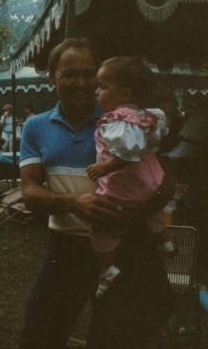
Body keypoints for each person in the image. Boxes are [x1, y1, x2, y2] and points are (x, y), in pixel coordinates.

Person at [19, 38, 173, 348]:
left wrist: (130, 213)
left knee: (116, 337)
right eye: (69, 74)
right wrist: (73, 203)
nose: (81, 83)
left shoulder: (124, 121)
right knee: (41, 334)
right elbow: (30, 192)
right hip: (66, 248)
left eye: (89, 74)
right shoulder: (35, 127)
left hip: (124, 242)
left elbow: (162, 184)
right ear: (52, 77)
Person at [85, 57, 175, 298]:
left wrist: (104, 168)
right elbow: (155, 138)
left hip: (125, 186)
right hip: (150, 180)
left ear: (124, 93)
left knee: (102, 228)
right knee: (149, 210)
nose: (97, 91)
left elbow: (128, 153)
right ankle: (164, 240)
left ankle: (107, 269)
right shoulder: (143, 115)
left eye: (103, 86)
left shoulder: (117, 119)